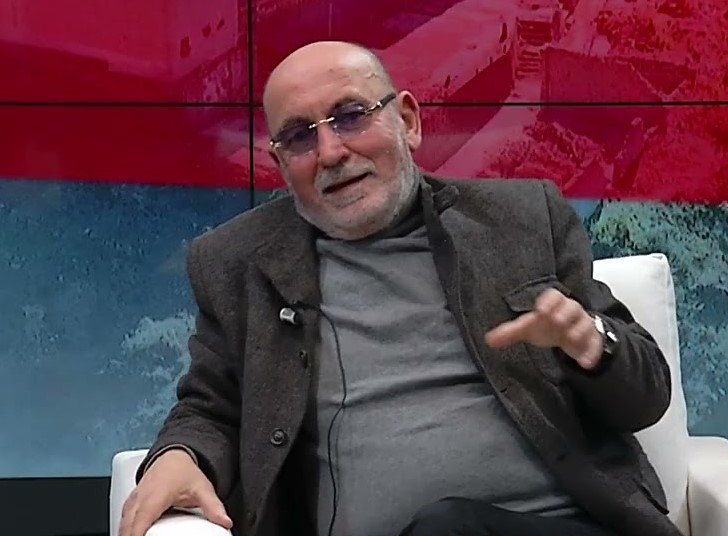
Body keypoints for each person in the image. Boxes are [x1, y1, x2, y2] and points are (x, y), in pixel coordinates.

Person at [120, 41, 681, 536]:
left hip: (567, 526)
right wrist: (180, 453)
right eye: (299, 136)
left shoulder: (521, 218)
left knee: (449, 527)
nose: (331, 153)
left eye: (350, 117)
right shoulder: (237, 264)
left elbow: (647, 397)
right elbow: (210, 406)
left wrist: (591, 343)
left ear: (408, 121)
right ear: (280, 162)